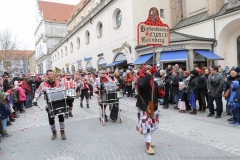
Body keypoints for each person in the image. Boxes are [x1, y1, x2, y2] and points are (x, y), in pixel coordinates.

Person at [32, 70, 66, 140]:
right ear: (47, 75)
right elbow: (38, 92)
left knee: (61, 117)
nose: (52, 75)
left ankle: (62, 132)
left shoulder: (58, 82)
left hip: (59, 102)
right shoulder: (43, 84)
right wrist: (35, 100)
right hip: (49, 104)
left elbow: (64, 89)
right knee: (51, 119)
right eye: (50, 74)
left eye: (53, 74)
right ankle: (54, 132)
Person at [136, 65, 160, 155]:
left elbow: (158, 90)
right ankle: (147, 144)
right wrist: (149, 75)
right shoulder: (140, 79)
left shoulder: (152, 80)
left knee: (153, 126)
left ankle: (149, 140)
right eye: (146, 70)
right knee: (147, 127)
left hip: (153, 106)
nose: (148, 72)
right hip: (145, 107)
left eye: (149, 70)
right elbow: (142, 85)